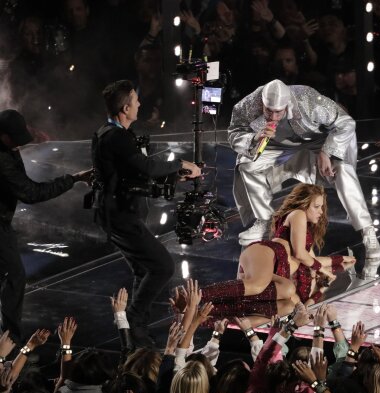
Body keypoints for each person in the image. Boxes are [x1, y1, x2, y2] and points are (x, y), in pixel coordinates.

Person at [91, 80, 201, 348]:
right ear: (126, 107)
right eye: (136, 101)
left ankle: (135, 328)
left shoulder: (113, 134)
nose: (140, 104)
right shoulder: (115, 137)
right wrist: (180, 163)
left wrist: (175, 176)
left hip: (120, 213)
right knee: (163, 266)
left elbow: (135, 175)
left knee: (144, 268)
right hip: (119, 216)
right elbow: (146, 166)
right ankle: (134, 321)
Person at [228, 79, 380, 259]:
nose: (273, 116)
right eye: (268, 110)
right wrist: (254, 137)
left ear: (287, 105)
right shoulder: (248, 104)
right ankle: (264, 221)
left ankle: (367, 231)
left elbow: (346, 123)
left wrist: (327, 151)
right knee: (248, 165)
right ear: (262, 102)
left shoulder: (308, 100)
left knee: (342, 170)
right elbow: (233, 133)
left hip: (317, 142)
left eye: (278, 112)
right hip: (277, 146)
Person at [196, 183, 355, 327]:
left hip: (274, 272)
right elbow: (301, 254)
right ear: (304, 204)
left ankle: (206, 319)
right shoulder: (298, 213)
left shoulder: (305, 238)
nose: (321, 212)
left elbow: (309, 260)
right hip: (268, 253)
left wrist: (338, 261)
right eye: (317, 206)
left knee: (288, 305)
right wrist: (324, 269)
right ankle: (196, 295)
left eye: (322, 207)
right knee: (260, 286)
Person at [0, 109, 92, 344]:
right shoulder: (3, 158)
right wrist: (74, 178)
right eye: (15, 141)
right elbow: (31, 192)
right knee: (15, 276)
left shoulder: (7, 147)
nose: (18, 146)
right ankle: (9, 339)